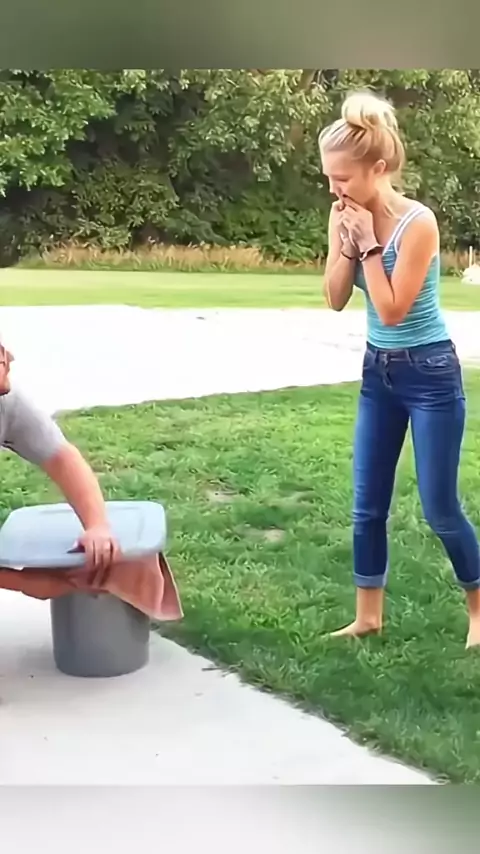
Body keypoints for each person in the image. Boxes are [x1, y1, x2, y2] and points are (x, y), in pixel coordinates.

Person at [319, 90, 480, 648]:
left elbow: (392, 309)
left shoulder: (419, 224)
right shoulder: (343, 215)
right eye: (329, 178)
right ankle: (368, 617)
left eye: (343, 178)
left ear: (379, 168)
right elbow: (335, 298)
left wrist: (368, 246)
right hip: (378, 374)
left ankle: (479, 610)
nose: (335, 189)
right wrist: (347, 244)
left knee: (440, 507)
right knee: (366, 507)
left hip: (430, 374)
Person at [0, 342, 119, 574]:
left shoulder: (7, 403)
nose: (11, 358)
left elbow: (61, 458)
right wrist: (23, 581)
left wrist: (97, 526)